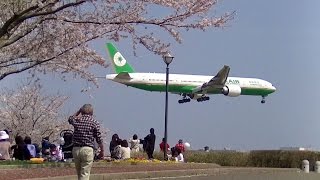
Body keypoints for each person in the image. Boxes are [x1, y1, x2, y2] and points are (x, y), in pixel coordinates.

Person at [69, 104, 104, 180]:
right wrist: (102, 150)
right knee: (85, 173)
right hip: (87, 149)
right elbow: (99, 138)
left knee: (79, 173)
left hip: (76, 149)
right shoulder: (94, 122)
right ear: (92, 113)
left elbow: (70, 119)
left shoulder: (77, 120)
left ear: (82, 111)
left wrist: (78, 111)